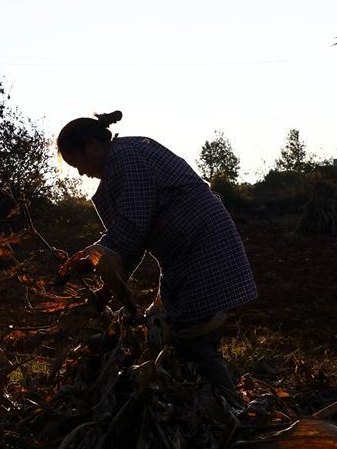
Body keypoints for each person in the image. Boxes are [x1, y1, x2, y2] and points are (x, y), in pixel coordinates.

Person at [57, 110, 257, 399]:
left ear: (90, 146)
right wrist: (107, 289)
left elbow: (131, 226)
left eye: (78, 163)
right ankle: (205, 405)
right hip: (184, 257)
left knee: (196, 339)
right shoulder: (123, 161)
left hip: (204, 250)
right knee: (174, 335)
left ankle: (230, 411)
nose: (81, 172)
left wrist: (91, 260)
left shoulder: (128, 158)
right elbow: (132, 243)